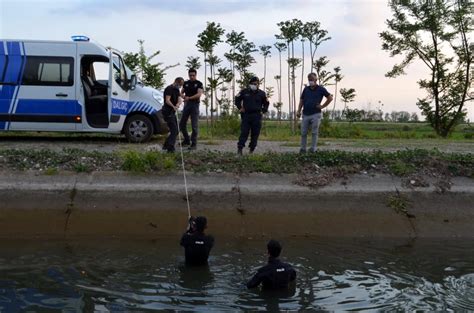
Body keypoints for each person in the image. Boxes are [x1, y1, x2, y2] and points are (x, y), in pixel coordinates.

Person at [296, 73, 333, 153]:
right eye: (309, 80)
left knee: (314, 132)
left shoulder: (321, 89)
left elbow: (330, 98)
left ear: (316, 80)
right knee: (303, 132)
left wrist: (322, 106)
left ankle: (313, 149)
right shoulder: (306, 89)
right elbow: (301, 100)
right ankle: (303, 149)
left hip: (316, 114)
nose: (310, 81)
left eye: (312, 79)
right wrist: (298, 111)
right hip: (305, 114)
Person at [235, 76, 269, 155]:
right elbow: (237, 99)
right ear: (250, 84)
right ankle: (240, 149)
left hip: (257, 116)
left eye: (256, 84)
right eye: (253, 83)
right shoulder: (244, 91)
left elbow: (266, 103)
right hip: (246, 115)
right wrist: (240, 107)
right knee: (244, 132)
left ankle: (251, 150)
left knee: (255, 134)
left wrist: (263, 110)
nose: (255, 85)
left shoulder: (262, 93)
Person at [179, 68, 203, 150]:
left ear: (196, 75)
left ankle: (194, 144)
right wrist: (184, 97)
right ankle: (186, 140)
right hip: (187, 104)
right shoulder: (186, 83)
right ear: (188, 75)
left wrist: (189, 98)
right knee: (182, 124)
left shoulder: (199, 84)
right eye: (190, 75)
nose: (192, 77)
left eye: (193, 75)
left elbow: (199, 94)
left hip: (195, 105)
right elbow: (181, 92)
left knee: (194, 126)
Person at [162, 77, 184, 153]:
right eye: (179, 84)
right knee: (174, 129)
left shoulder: (176, 90)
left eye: (181, 85)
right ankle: (170, 148)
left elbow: (179, 99)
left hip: (173, 111)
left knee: (177, 129)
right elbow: (167, 100)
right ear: (176, 82)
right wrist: (173, 106)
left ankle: (166, 145)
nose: (180, 87)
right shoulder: (169, 89)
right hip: (167, 111)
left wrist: (178, 104)